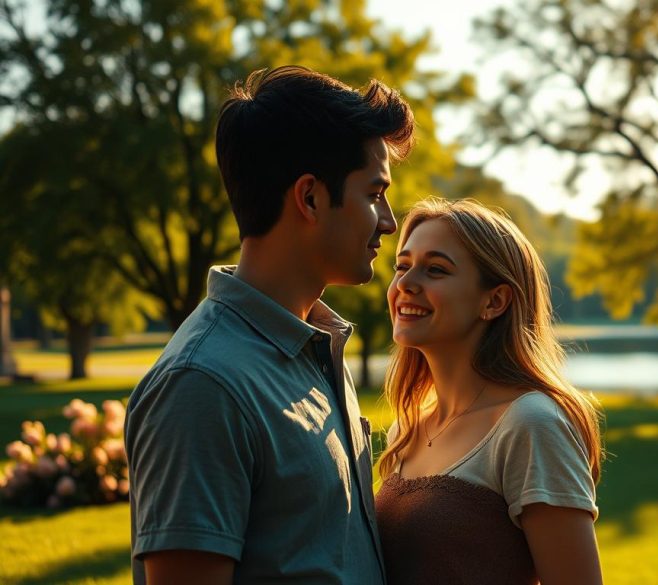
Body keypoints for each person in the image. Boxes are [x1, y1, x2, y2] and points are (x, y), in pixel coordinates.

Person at [124, 65, 414, 584]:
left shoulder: (317, 347)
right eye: (374, 193)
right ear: (309, 197)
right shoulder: (204, 385)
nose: (389, 221)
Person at [375, 198, 604, 585]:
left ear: (494, 301)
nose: (405, 285)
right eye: (402, 266)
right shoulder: (406, 431)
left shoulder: (529, 424)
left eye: (435, 269)